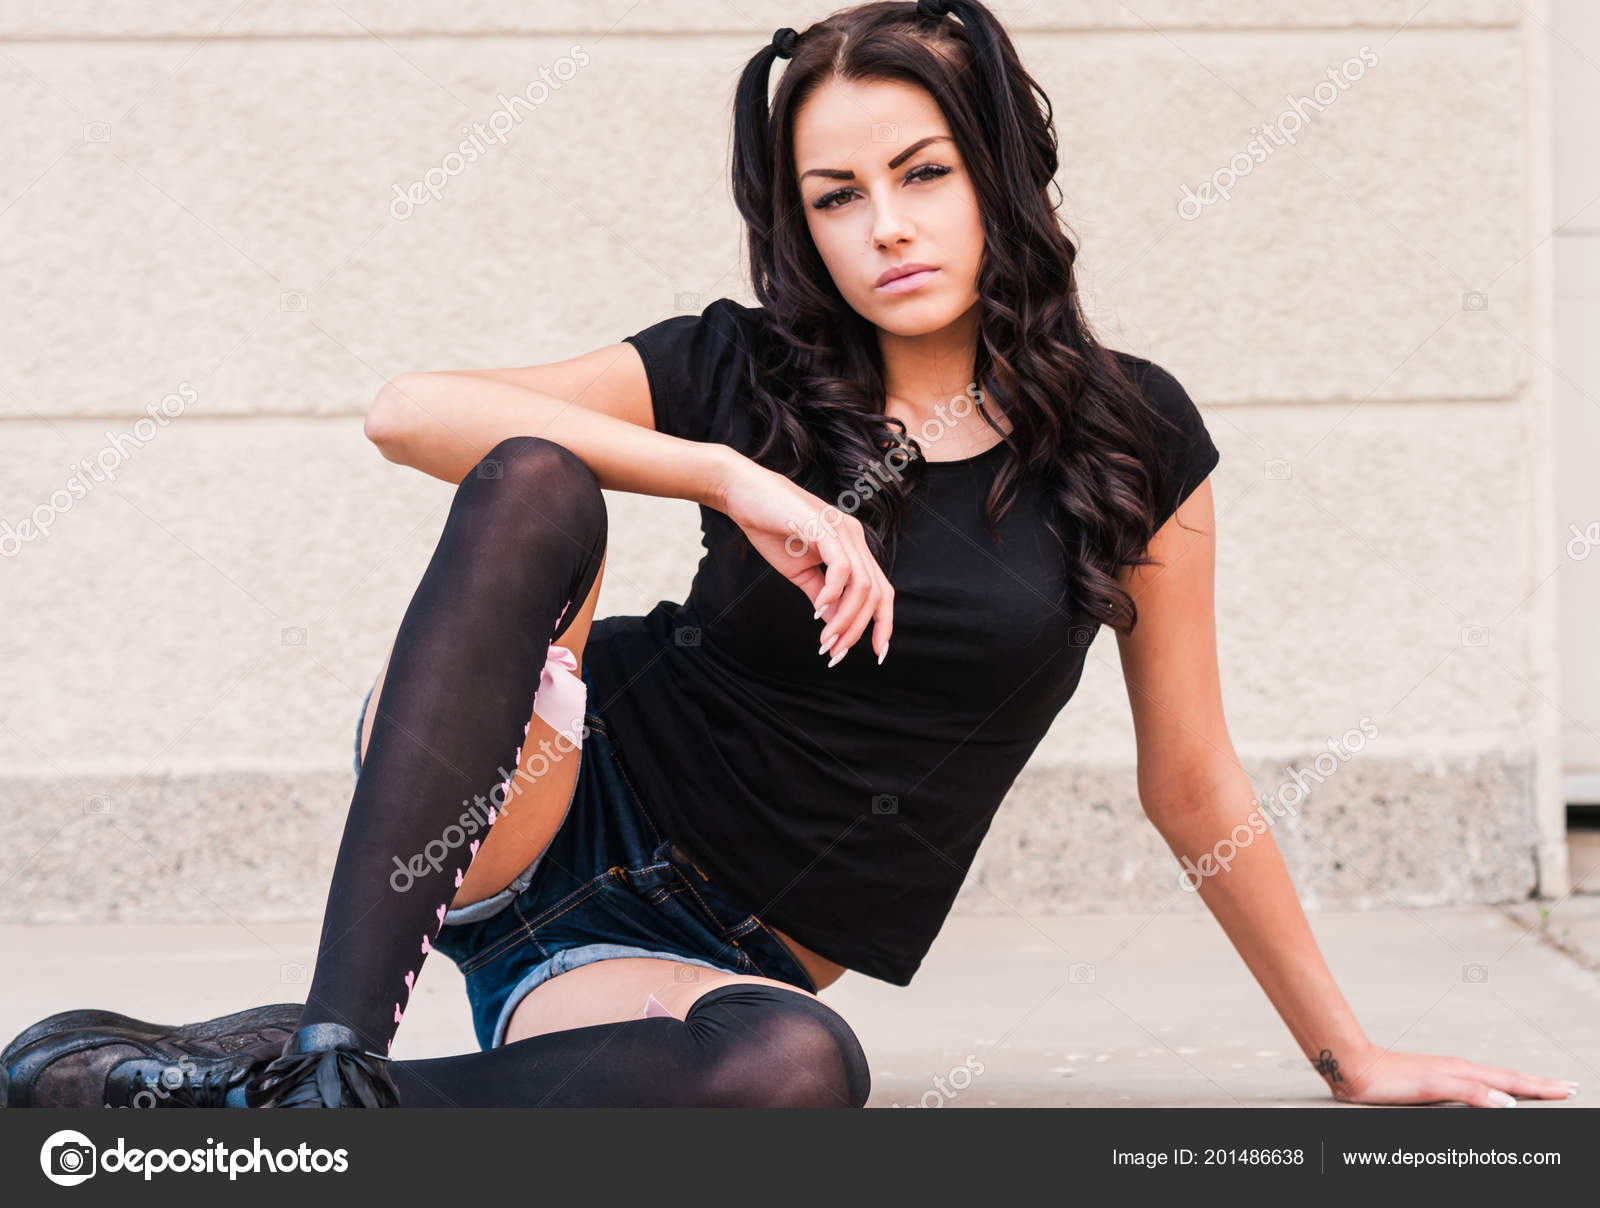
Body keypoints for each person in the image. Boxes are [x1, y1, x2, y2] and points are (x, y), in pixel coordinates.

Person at [4, 0, 1577, 1111]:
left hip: (679, 958)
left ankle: (287, 1100)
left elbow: (1195, 781)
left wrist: (1348, 1058)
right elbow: (409, 411)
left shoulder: (1130, 443)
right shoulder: (745, 373)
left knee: (794, 1075)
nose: (884, 225)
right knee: (539, 474)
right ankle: (342, 1044)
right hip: (532, 800)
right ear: (798, 222)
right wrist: (727, 477)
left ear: (998, 179)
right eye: (836, 195)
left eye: (923, 174)